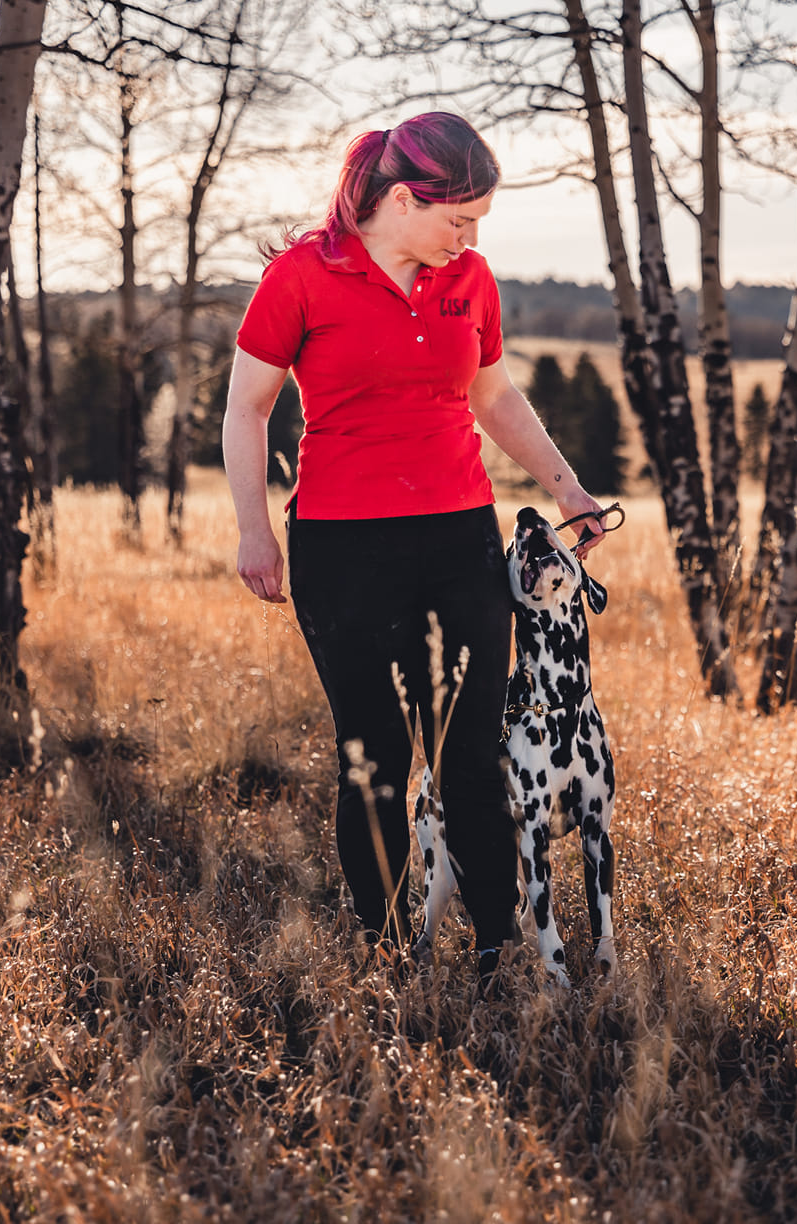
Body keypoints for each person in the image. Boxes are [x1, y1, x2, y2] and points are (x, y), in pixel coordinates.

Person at [220, 112, 607, 982]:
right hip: (342, 550)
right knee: (375, 755)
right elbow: (246, 409)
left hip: (459, 541)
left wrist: (566, 486)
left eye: (476, 225)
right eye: (457, 220)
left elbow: (495, 394)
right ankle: (386, 945)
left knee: (470, 750)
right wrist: (254, 527)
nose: (469, 239)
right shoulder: (302, 275)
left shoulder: (468, 277)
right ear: (404, 198)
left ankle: (496, 945)